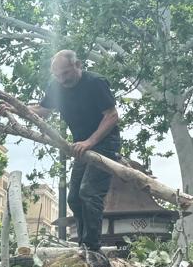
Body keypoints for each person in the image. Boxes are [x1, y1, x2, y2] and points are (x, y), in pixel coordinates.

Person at [10, 51, 120, 251]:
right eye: (58, 76)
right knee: (74, 198)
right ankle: (84, 244)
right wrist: (13, 107)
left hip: (104, 144)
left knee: (89, 192)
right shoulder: (56, 87)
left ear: (78, 65)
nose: (63, 79)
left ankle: (91, 247)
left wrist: (90, 141)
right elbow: (42, 111)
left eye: (66, 73)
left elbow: (112, 116)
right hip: (81, 147)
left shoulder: (95, 83)